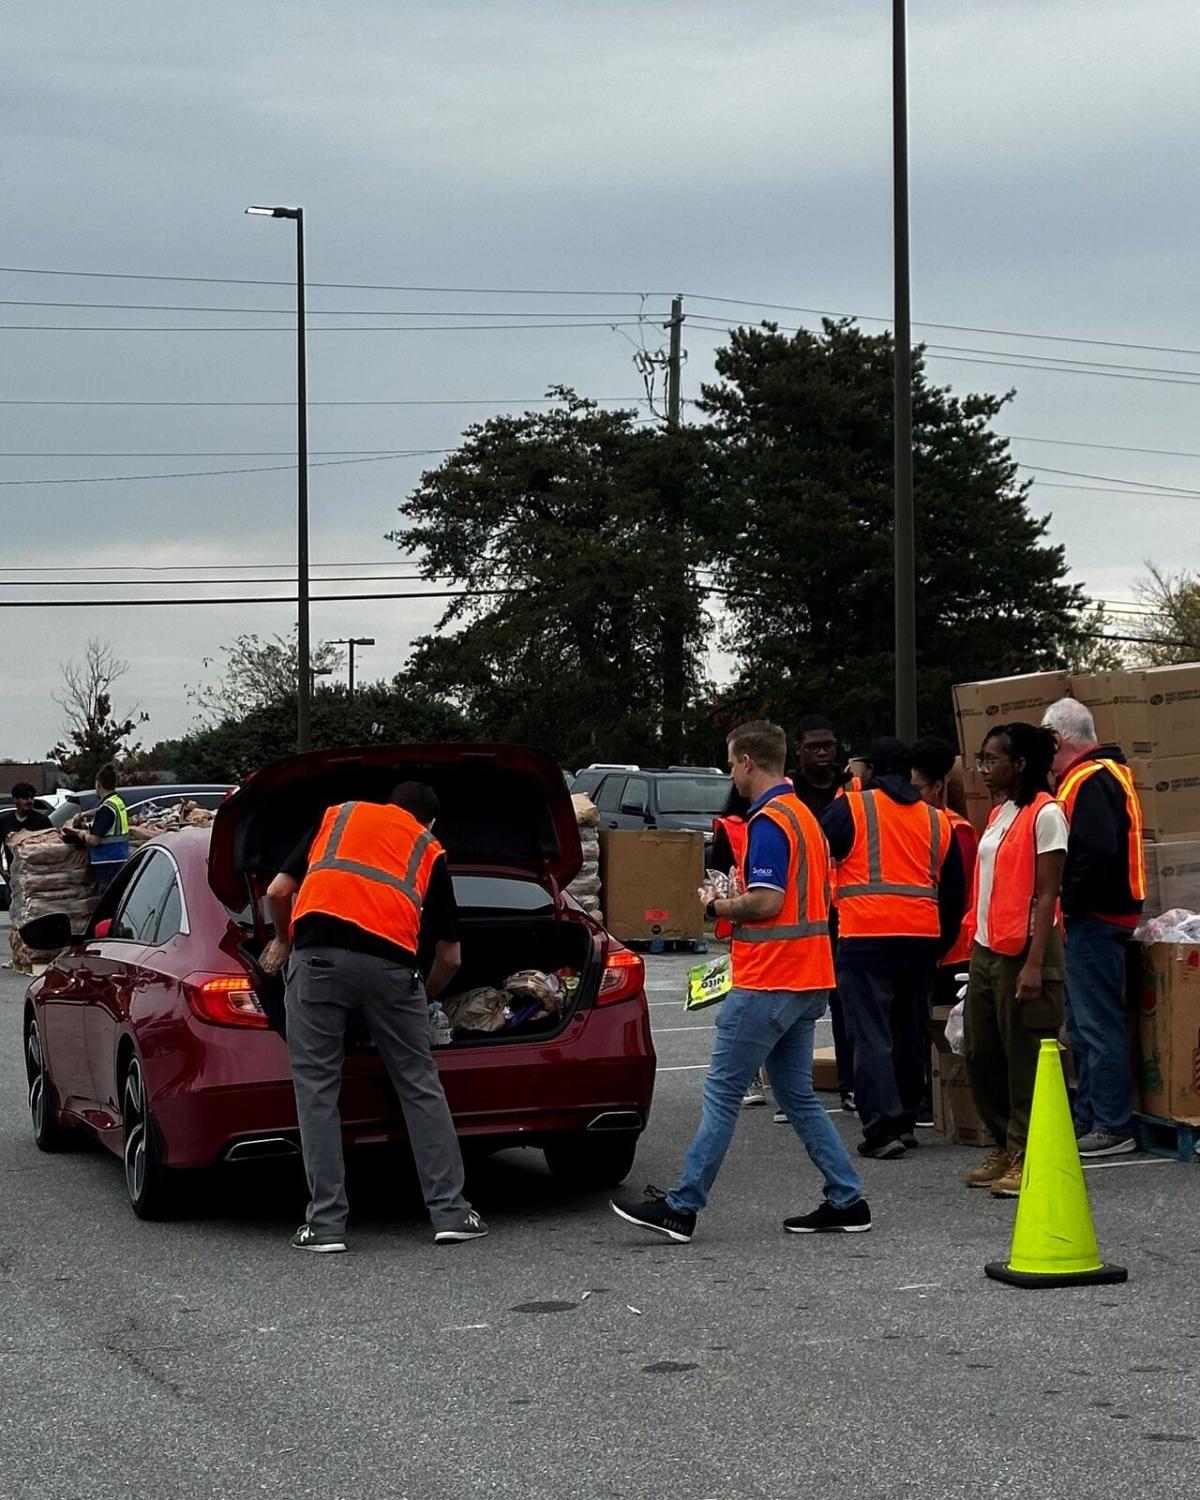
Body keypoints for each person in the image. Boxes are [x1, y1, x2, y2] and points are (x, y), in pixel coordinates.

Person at [611, 720, 870, 1243]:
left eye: (731, 764)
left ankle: (682, 1207)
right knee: (796, 1095)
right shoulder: (804, 816)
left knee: (722, 1093)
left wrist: (717, 906)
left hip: (769, 980)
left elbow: (767, 902)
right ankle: (847, 1199)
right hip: (805, 976)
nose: (731, 773)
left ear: (748, 762)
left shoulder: (769, 821)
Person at [261, 780, 488, 1253]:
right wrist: (422, 998)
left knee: (317, 1090)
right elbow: (450, 958)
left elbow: (278, 891)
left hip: (316, 961)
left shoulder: (337, 817)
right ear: (430, 821)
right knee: (418, 1084)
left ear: (390, 805)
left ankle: (325, 1224)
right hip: (391, 969)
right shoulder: (428, 848)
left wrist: (284, 940)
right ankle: (451, 1213)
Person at [821, 737, 964, 1159]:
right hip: (920, 939)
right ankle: (905, 1120)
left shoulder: (853, 808)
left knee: (871, 1034)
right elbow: (954, 892)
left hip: (865, 936)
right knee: (908, 1033)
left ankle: (882, 1129)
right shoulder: (937, 820)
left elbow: (811, 849)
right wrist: (939, 942)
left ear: (870, 771)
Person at [962, 723, 1067, 1198]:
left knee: (1023, 1059)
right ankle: (1005, 1143)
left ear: (1020, 764)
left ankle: (1027, 1153)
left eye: (992, 759)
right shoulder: (1000, 812)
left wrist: (1035, 964)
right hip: (988, 948)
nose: (983, 769)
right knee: (980, 1052)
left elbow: (1047, 895)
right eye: (981, 760)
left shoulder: (1047, 814)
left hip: (1025, 952)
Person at [1042, 697, 1145, 1158]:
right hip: (1101, 914)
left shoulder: (1090, 779)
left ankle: (1110, 1124)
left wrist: (1068, 900)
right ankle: (1091, 1116)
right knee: (1085, 1024)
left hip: (1096, 916)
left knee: (1095, 1022)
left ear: (1057, 739)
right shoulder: (1102, 774)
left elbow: (1096, 850)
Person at [789, 714, 858, 1117]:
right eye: (813, 746)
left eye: (828, 745)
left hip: (845, 912)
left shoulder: (855, 788)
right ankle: (791, 1089)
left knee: (845, 1003)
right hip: (798, 911)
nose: (822, 752)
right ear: (798, 750)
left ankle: (850, 1085)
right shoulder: (787, 791)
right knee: (793, 1004)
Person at [910, 737, 980, 1124]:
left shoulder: (957, 829)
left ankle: (952, 1104)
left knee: (945, 1029)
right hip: (929, 942)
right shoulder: (922, 823)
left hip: (953, 948)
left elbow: (961, 894)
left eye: (918, 787)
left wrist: (941, 942)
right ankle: (932, 1099)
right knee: (923, 1027)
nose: (913, 795)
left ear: (938, 786)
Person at [75, 765, 130, 894]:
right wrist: (84, 814)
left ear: (98, 785)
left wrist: (82, 834)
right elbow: (103, 811)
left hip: (107, 861)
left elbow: (95, 840)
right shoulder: (117, 801)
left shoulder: (107, 808)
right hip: (119, 857)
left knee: (108, 897)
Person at [0, 783, 53, 877]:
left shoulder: (42, 820)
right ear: (15, 799)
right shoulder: (5, 821)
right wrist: (2, 870)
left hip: (36, 875)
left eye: (31, 798)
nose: (29, 801)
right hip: (13, 875)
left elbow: (53, 846)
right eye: (25, 798)